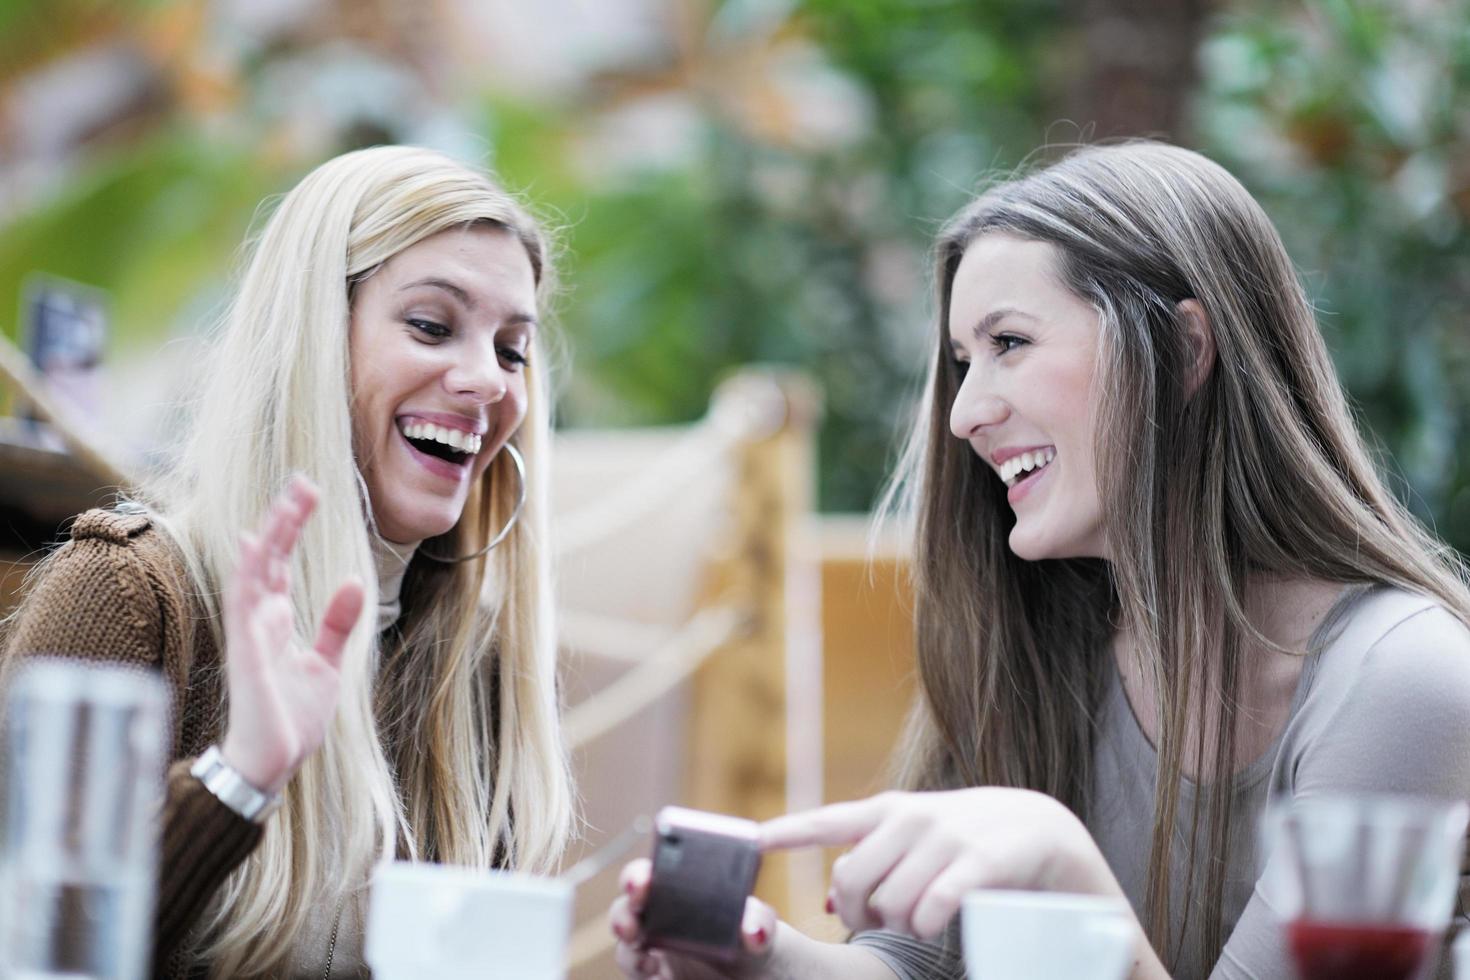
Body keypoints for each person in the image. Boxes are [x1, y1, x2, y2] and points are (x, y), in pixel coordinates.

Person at [609, 140, 1470, 979]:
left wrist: (1063, 867)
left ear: (1183, 351)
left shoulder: (1404, 679)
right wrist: (761, 959)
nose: (964, 413)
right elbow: (923, 965)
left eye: (1009, 344)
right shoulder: (1042, 642)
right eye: (960, 362)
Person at [2, 145, 574, 977]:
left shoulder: (475, 664)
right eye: (431, 325)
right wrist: (241, 777)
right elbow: (32, 948)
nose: (489, 381)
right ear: (313, 336)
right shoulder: (128, 595)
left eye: (513, 349)